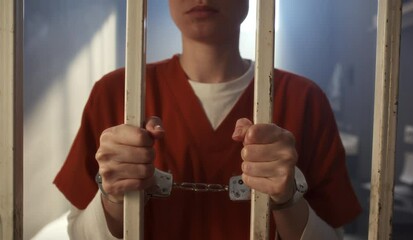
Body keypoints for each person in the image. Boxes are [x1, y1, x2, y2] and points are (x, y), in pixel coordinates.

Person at [54, 0, 361, 239]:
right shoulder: (117, 93)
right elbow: (77, 233)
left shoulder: (304, 99)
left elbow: (334, 234)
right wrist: (113, 197)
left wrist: (287, 200)